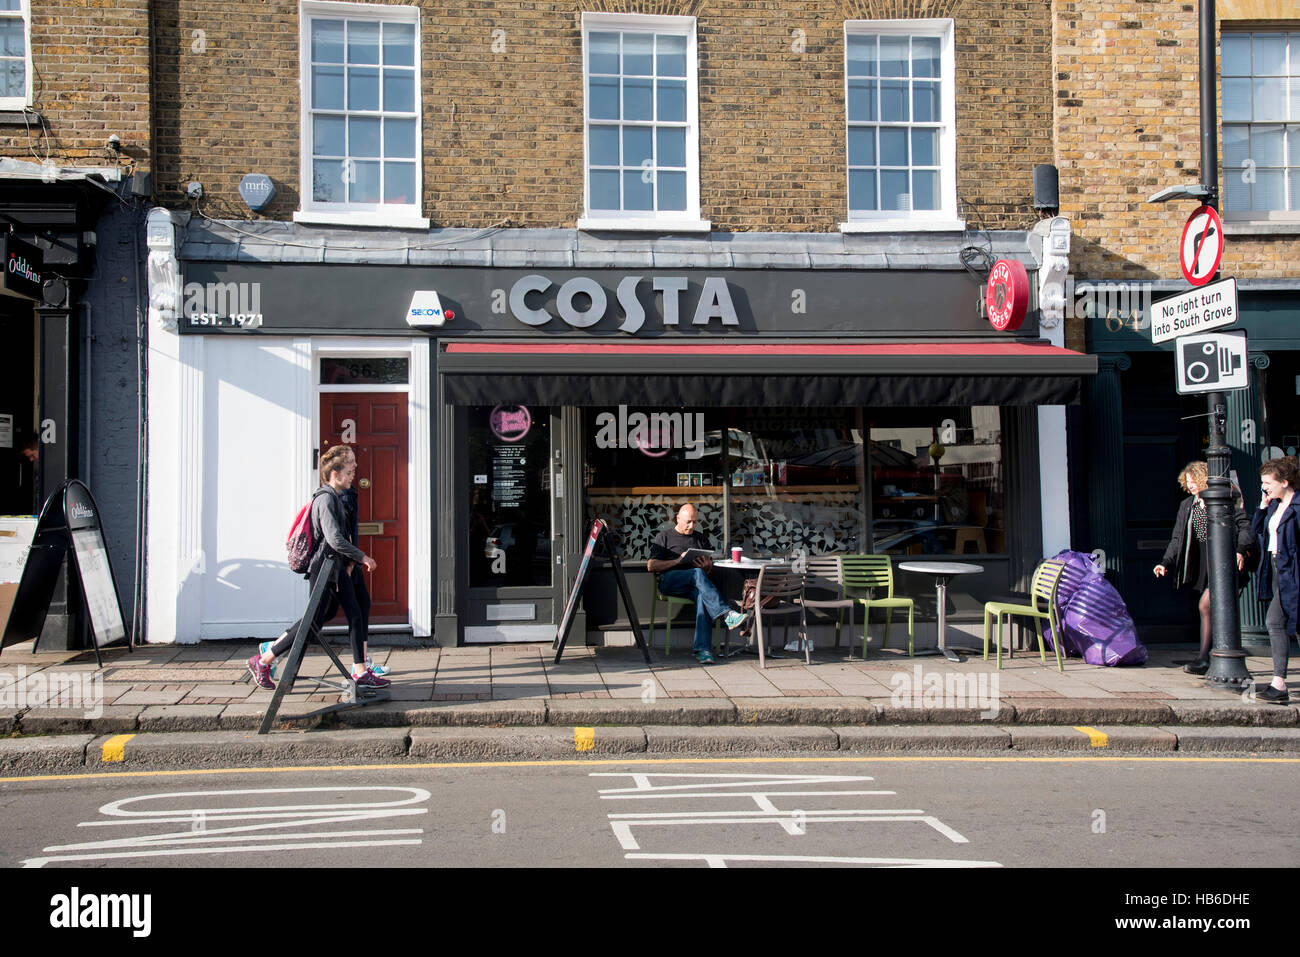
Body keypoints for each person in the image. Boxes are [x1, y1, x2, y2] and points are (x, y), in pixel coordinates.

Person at [248, 445, 389, 691]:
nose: (355, 470)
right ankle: (264, 659)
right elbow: (334, 539)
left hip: (334, 568)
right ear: (335, 474)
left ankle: (359, 671)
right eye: (349, 468)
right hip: (325, 569)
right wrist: (362, 556)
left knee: (327, 618)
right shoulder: (325, 499)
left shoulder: (334, 497)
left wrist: (351, 561)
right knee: (321, 620)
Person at [1153, 460, 1254, 675]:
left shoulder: (1227, 499)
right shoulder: (1188, 505)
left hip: (1225, 562)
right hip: (1202, 563)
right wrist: (1165, 562)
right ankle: (1213, 654)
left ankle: (1206, 657)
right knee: (1212, 608)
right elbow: (1178, 537)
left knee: (1206, 606)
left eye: (1194, 480)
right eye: (1188, 482)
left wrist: (1241, 549)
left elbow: (1245, 526)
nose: (1191, 485)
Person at [646, 503, 748, 664]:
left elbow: (707, 572)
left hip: (694, 585)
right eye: (688, 522)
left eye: (695, 522)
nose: (691, 526)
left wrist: (707, 568)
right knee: (697, 573)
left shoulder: (700, 539)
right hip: (670, 582)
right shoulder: (664, 537)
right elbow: (651, 566)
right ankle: (727, 614)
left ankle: (703, 650)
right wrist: (678, 561)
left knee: (703, 596)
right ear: (677, 519)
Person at [1252, 456, 1299, 704]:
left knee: (1275, 622)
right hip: (1275, 568)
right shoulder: (1273, 505)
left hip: (1293, 571)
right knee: (1282, 623)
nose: (1265, 487)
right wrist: (1262, 505)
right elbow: (1256, 530)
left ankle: (1279, 684)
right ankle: (1278, 684)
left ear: (1285, 481)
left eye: (1268, 482)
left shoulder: (1298, 507)